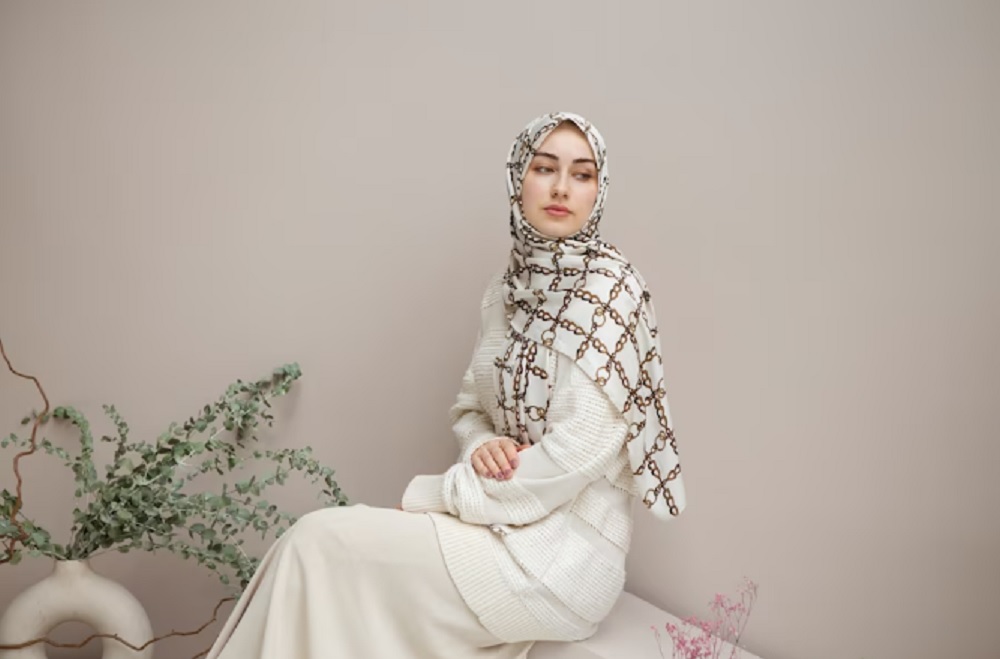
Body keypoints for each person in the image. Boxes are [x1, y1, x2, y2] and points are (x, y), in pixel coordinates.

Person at [205, 111, 686, 659]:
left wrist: (435, 495)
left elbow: (573, 456)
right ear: (517, 179)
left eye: (581, 174)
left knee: (316, 543)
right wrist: (484, 445)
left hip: (561, 561)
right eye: (544, 168)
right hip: (496, 527)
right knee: (310, 548)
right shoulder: (506, 290)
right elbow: (470, 408)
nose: (560, 188)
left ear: (599, 191)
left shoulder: (611, 295)